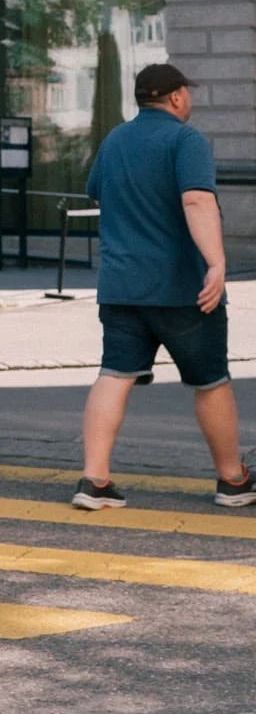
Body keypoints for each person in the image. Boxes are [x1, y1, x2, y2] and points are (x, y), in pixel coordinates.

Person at [74, 63, 254, 512]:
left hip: (120, 285)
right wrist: (216, 263)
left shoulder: (114, 140)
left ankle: (94, 481)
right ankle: (233, 480)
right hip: (181, 289)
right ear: (175, 97)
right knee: (210, 381)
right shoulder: (185, 140)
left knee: (114, 374)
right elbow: (197, 200)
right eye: (186, 92)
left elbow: (96, 192)